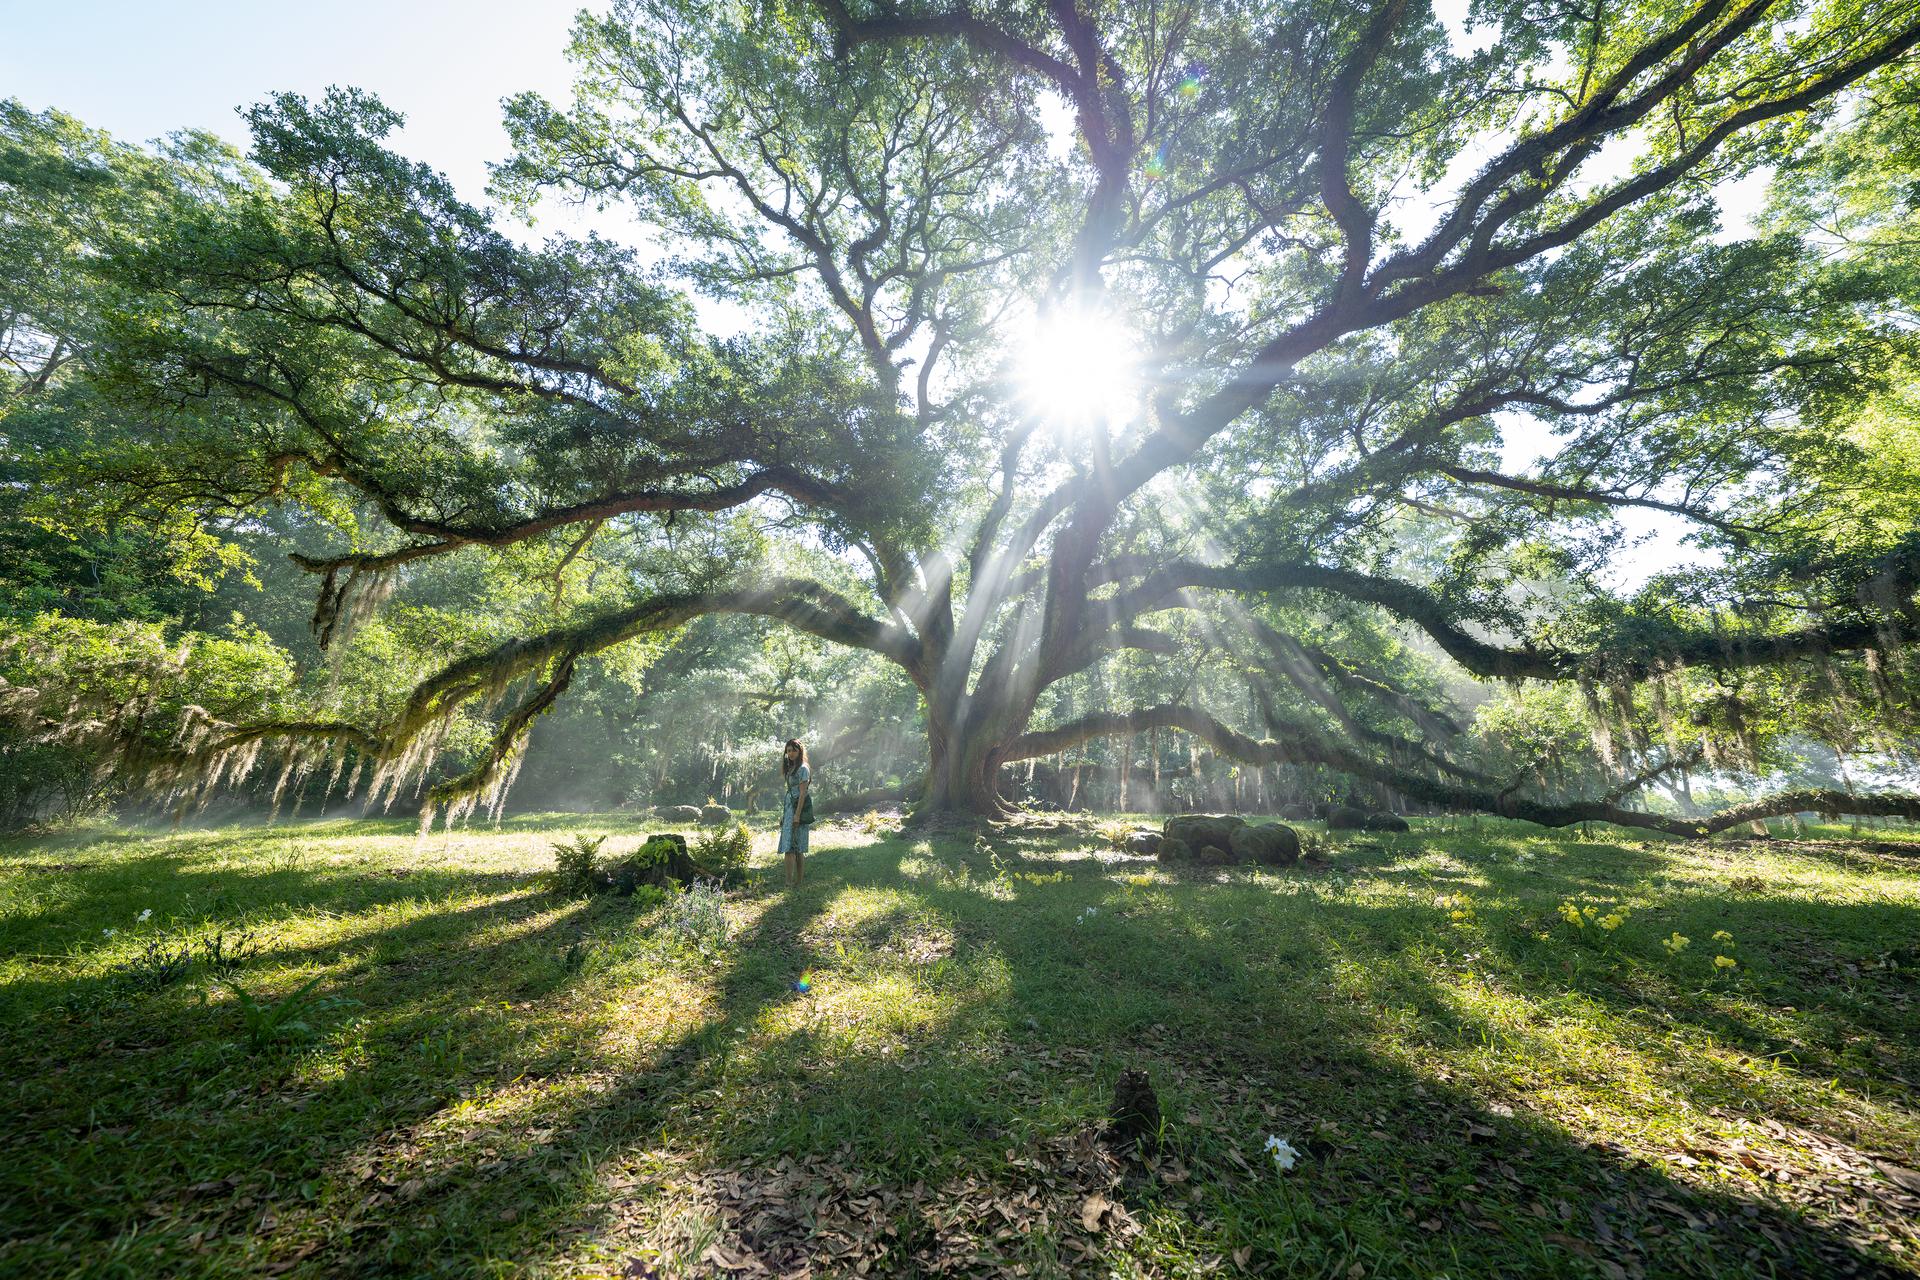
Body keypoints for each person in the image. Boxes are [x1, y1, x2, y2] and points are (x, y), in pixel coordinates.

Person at [778, 738, 812, 884]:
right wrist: (785, 815)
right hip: (789, 808)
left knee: (797, 847)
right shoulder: (790, 768)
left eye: (794, 750)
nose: (791, 753)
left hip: (799, 809)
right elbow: (789, 793)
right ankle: (789, 881)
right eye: (789, 750)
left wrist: (797, 816)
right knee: (789, 846)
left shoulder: (803, 768)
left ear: (800, 751)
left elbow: (803, 793)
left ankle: (797, 881)